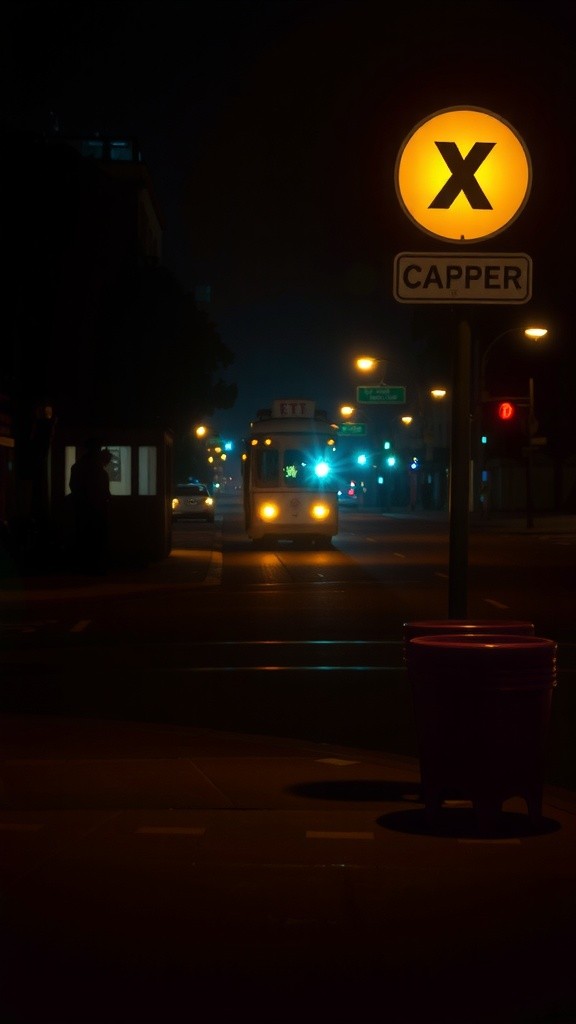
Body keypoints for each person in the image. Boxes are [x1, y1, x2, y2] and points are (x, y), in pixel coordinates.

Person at [69, 438, 111, 574]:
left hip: (82, 509)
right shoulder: (100, 471)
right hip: (98, 510)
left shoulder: (77, 467)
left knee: (84, 537)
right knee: (97, 539)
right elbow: (105, 492)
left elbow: (73, 486)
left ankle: (85, 565)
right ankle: (96, 566)